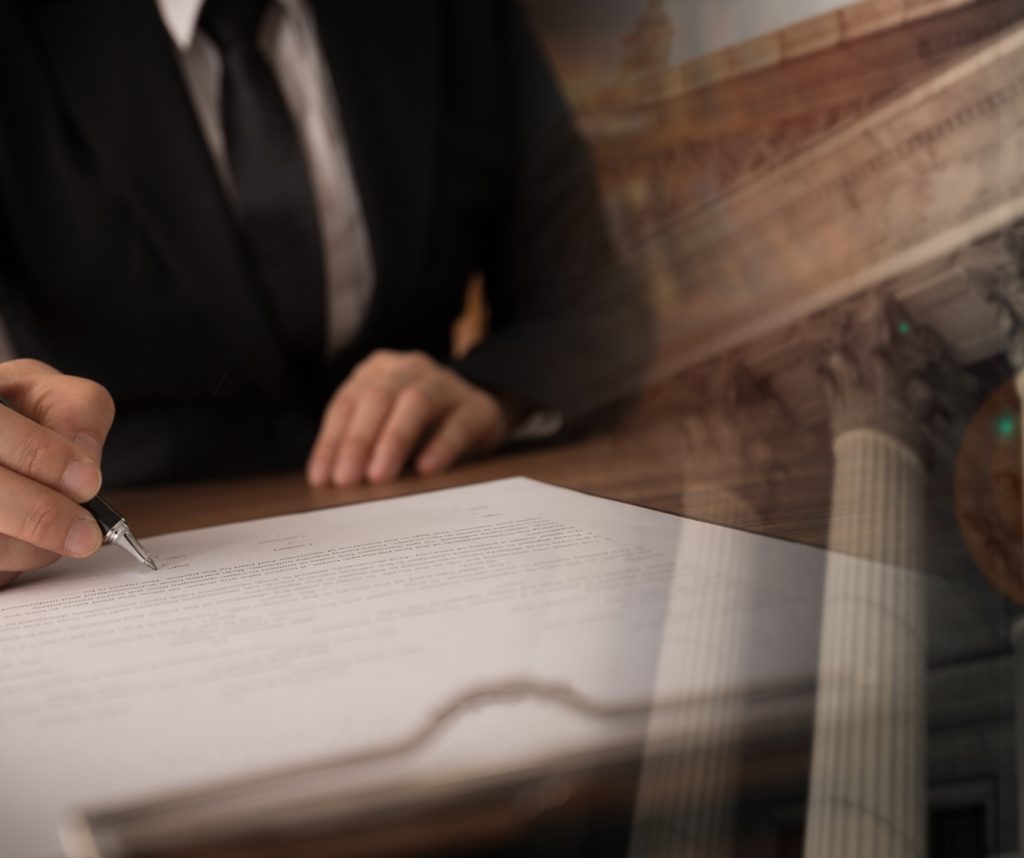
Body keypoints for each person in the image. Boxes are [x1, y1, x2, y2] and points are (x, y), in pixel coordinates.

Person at [0, 0, 651, 588]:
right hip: (124, 530)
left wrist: (495, 391)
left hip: (431, 513)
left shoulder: (455, 15)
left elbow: (597, 312)